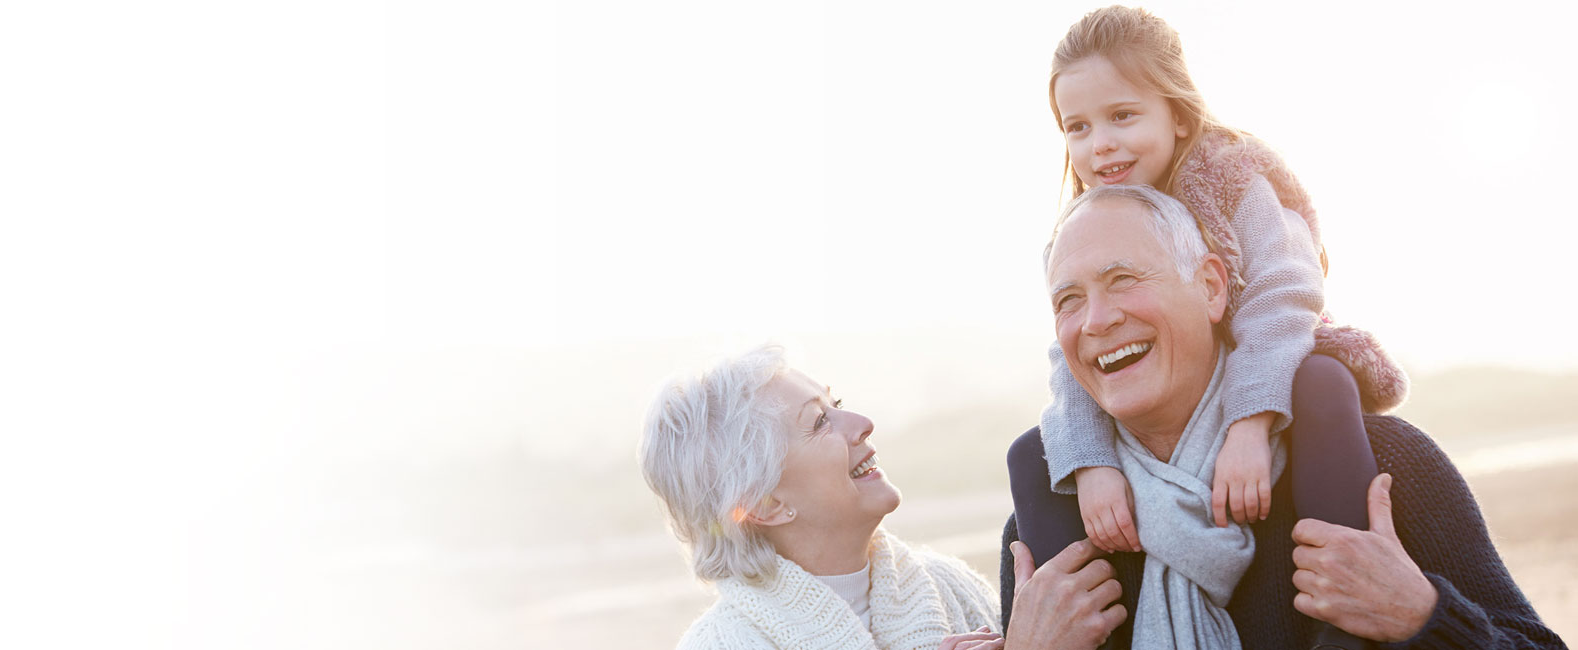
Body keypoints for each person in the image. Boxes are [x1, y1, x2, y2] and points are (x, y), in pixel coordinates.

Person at [999, 184, 1564, 648]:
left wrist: (1422, 615)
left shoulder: (1382, 465)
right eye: (1068, 300)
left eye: (1123, 279)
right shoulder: (1046, 531)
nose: (1096, 320)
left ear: (1213, 287)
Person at [1015, 7, 1399, 647]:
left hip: (1276, 355)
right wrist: (1091, 468)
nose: (1099, 143)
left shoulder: (1231, 176)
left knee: (1324, 382)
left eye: (1122, 116)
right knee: (1033, 454)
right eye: (1076, 127)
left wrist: (1251, 426)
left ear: (1180, 114)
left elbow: (1284, 293)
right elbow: (1072, 359)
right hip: (1168, 396)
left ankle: (1344, 613)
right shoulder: (1083, 228)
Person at [642, 345, 1125, 649]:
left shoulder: (947, 584)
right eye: (817, 422)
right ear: (765, 504)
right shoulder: (724, 643)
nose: (861, 423)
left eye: (839, 405)